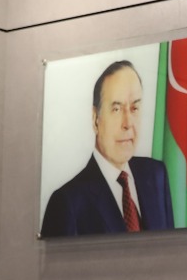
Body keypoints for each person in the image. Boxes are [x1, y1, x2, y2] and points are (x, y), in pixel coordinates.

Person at [40, 59, 175, 236]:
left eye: (134, 108)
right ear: (95, 119)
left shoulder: (156, 175)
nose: (128, 123)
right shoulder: (67, 204)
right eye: (116, 109)